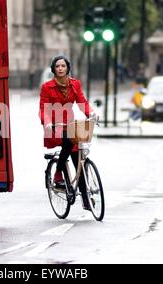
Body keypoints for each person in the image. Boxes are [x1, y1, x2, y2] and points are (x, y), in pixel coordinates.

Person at [39, 55, 95, 211]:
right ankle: (58, 173)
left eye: (63, 66)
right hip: (54, 126)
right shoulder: (47, 87)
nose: (60, 68)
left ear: (68, 68)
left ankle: (86, 200)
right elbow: (44, 108)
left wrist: (90, 113)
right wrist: (48, 123)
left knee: (79, 160)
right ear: (53, 69)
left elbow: (82, 101)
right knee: (68, 142)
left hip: (69, 123)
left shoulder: (75, 84)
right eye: (57, 66)